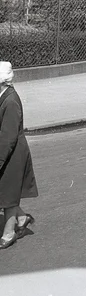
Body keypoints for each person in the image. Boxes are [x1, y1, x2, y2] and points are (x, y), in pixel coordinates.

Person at [0, 62, 37, 250]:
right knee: (6, 192)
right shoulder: (3, 96)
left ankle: (9, 233)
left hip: (12, 154)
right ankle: (22, 219)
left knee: (8, 195)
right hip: (8, 151)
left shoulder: (10, 100)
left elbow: (8, 137)